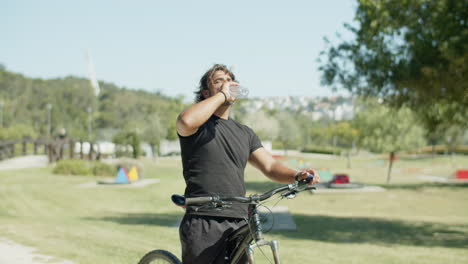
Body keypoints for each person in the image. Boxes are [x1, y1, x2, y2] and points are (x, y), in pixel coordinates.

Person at [176, 64, 320, 264]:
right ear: (205, 93)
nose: (226, 84)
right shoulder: (198, 125)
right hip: (204, 216)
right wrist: (221, 95)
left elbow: (269, 166)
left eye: (229, 81)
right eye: (218, 81)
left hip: (239, 219)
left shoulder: (245, 133)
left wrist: (297, 175)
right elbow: (185, 121)